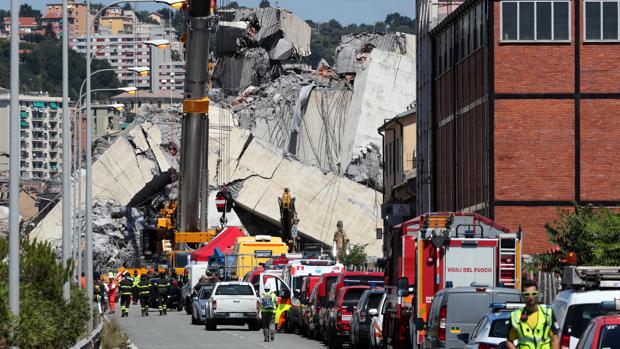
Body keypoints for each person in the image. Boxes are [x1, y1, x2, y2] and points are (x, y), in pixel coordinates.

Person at [506, 279, 559, 349]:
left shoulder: (548, 314)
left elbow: (555, 340)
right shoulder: (515, 316)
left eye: (534, 294)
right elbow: (509, 341)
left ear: (538, 294)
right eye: (527, 294)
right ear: (522, 296)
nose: (531, 297)